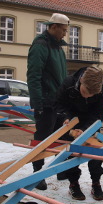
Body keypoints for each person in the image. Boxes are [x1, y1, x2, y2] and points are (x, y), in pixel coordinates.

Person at [27, 13, 70, 190]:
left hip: (58, 101)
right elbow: (34, 76)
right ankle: (37, 175)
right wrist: (38, 104)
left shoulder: (58, 48)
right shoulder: (40, 46)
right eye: (64, 30)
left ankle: (60, 169)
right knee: (42, 138)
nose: (65, 34)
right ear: (53, 27)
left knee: (64, 136)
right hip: (45, 101)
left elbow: (62, 76)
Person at [55, 66, 103, 200]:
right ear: (82, 80)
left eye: (91, 95)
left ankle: (96, 182)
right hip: (71, 122)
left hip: (90, 123)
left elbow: (99, 112)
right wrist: (65, 118)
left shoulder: (101, 88)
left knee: (95, 151)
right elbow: (59, 105)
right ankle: (74, 184)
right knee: (72, 153)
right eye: (85, 92)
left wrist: (86, 129)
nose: (87, 96)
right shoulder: (68, 84)